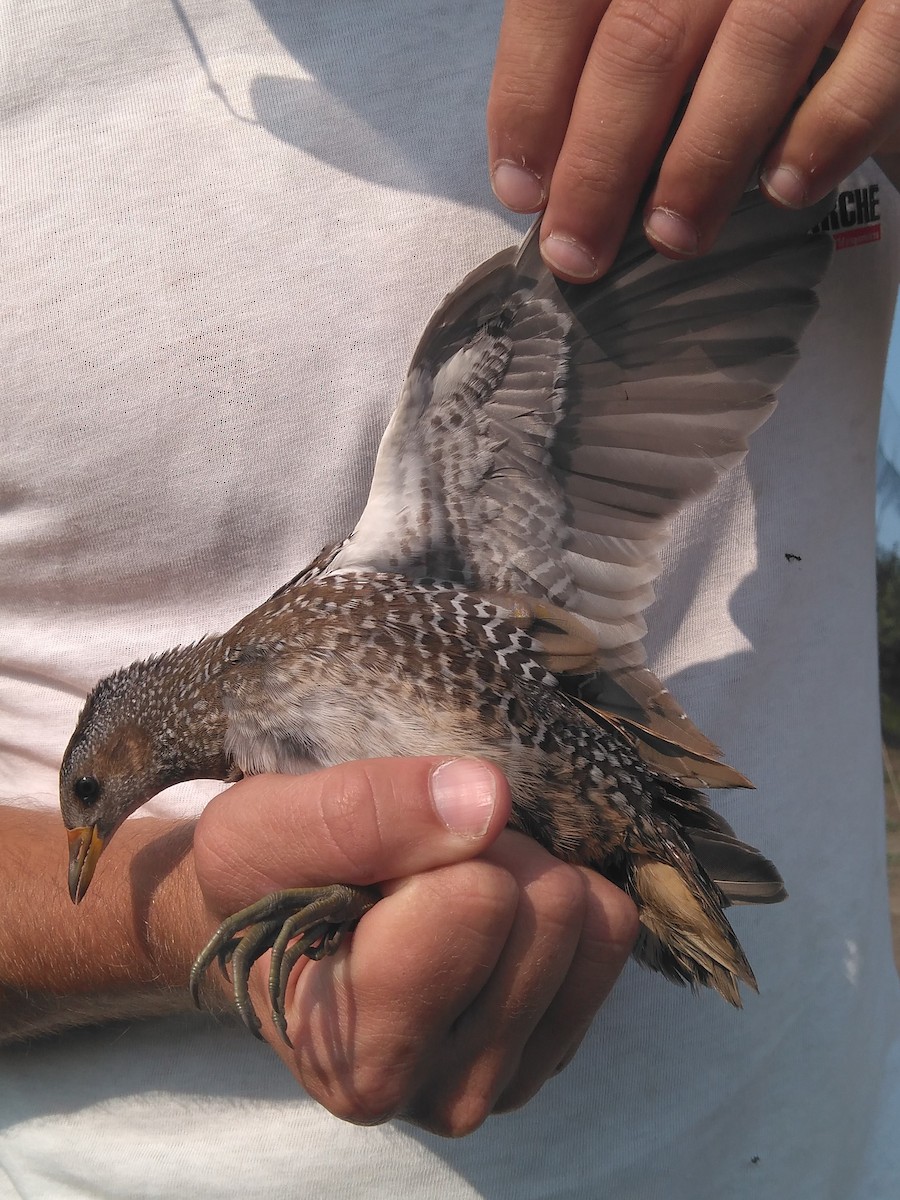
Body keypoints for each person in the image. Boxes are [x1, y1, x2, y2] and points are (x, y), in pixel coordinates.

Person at [1, 1, 898, 1196]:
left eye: (91, 798)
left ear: (123, 745)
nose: (94, 832)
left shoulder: (358, 581)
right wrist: (176, 923)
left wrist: (822, 112)